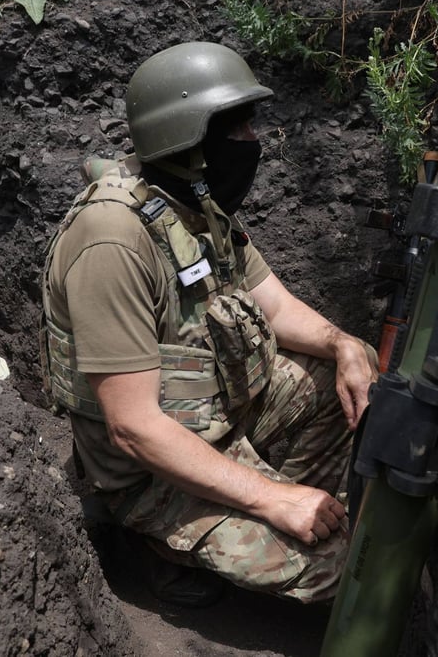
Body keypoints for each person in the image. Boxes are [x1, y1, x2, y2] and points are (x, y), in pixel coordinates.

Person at [40, 41, 378, 606]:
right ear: (190, 139)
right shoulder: (112, 242)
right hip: (147, 470)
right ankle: (153, 544)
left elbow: (275, 306)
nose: (254, 141)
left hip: (218, 417)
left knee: (341, 376)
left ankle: (262, 510)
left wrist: (343, 344)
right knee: (349, 570)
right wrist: (273, 498)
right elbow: (133, 428)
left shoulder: (195, 208)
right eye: (239, 128)